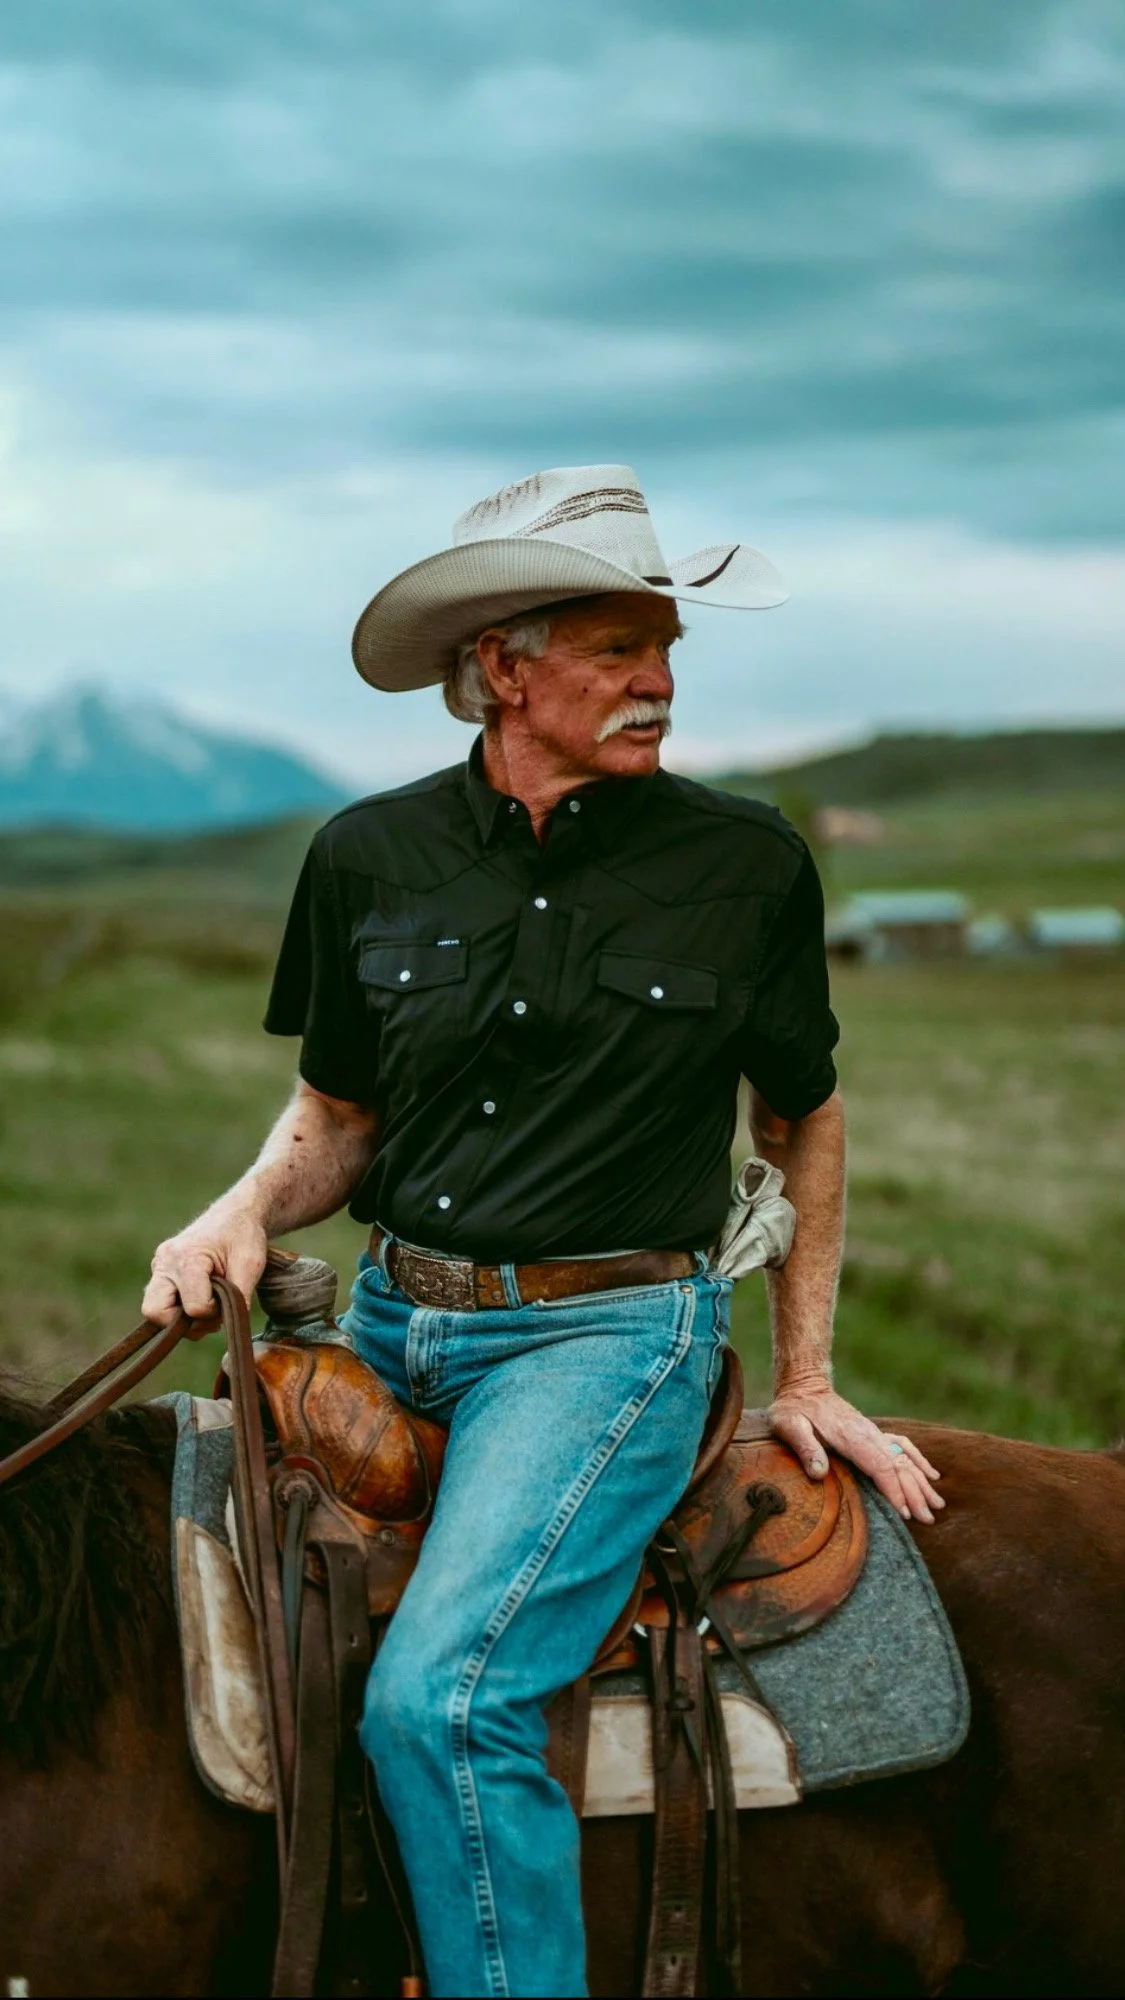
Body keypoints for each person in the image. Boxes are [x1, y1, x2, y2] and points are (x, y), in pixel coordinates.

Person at [144, 464, 943, 1999]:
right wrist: (237, 1210)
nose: (660, 683)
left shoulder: (746, 863)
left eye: (667, 650)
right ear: (503, 667)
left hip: (610, 1340)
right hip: (387, 1318)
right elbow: (340, 1116)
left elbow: (802, 1119)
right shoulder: (367, 856)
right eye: (616, 648)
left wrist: (808, 1374)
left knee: (443, 1704)